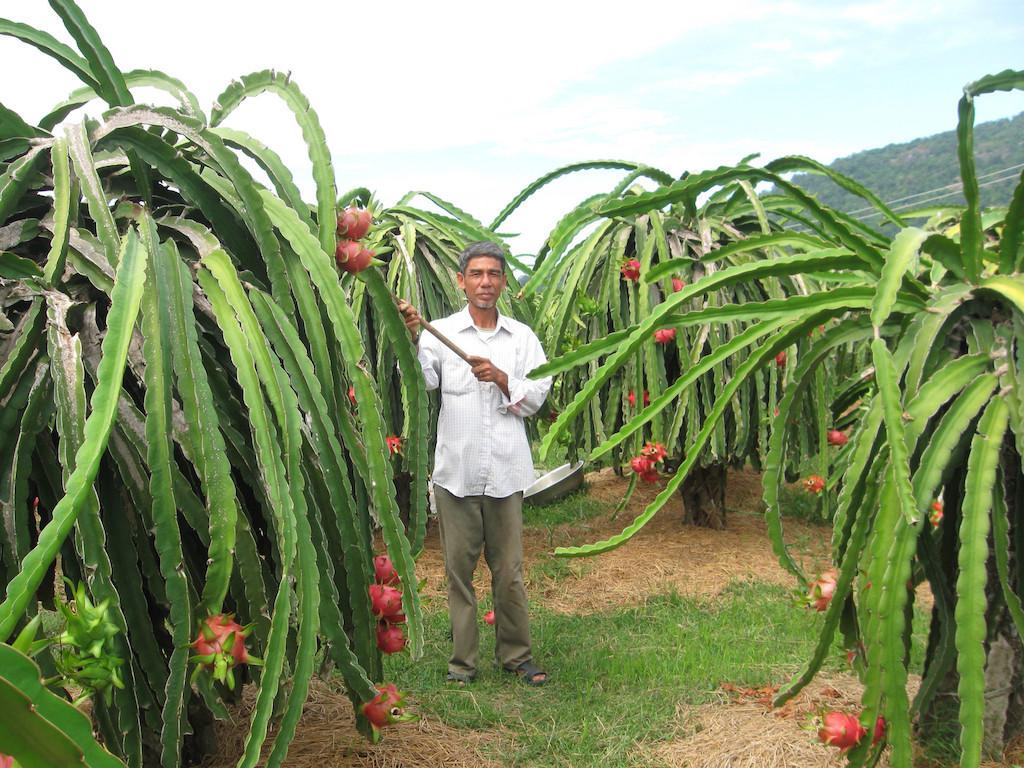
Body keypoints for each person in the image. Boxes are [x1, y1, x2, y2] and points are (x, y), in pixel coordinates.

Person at [397, 241, 553, 686]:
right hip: (456, 474)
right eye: (476, 274)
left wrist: (503, 379)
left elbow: (538, 396)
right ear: (461, 280)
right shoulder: (439, 333)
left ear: (504, 281)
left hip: (506, 473)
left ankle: (518, 656)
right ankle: (463, 663)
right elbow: (422, 379)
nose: (485, 282)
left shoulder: (521, 338)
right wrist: (411, 335)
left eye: (494, 274)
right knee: (458, 573)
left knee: (509, 573)